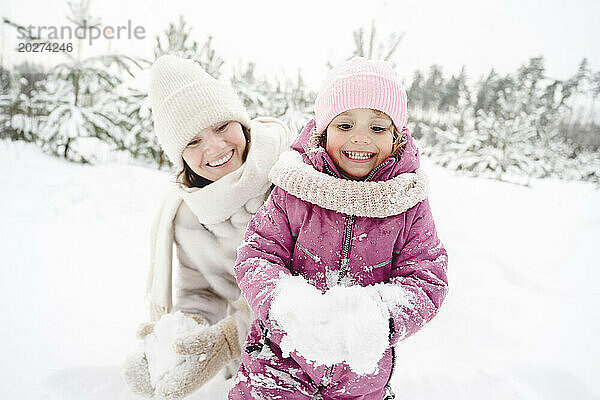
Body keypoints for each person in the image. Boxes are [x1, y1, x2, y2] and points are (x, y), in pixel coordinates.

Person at [229, 57, 449, 399]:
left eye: (377, 128)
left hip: (361, 375)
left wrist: (379, 317)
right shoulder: (296, 189)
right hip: (280, 360)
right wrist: (286, 304)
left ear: (397, 137)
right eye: (345, 126)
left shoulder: (408, 202)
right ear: (323, 130)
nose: (360, 139)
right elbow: (257, 254)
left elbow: (427, 277)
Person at [122, 54, 295, 399]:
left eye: (220, 127)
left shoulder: (293, 178)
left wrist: (229, 338)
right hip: (243, 368)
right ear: (179, 155)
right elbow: (201, 293)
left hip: (313, 361)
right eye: (193, 141)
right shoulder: (187, 215)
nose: (215, 147)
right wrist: (182, 333)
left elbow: (311, 284)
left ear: (240, 121)